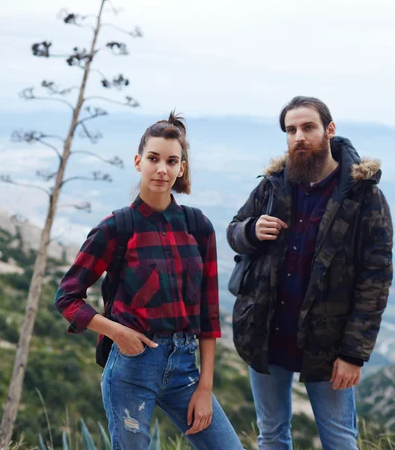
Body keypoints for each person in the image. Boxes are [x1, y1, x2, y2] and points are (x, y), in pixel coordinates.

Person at [55, 112, 243, 450]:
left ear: (181, 168)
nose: (162, 169)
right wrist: (116, 332)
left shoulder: (198, 226)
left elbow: (208, 314)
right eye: (154, 159)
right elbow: (67, 297)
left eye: (171, 161)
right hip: (131, 369)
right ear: (138, 162)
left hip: (186, 367)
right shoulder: (116, 227)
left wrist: (205, 387)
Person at [227, 96, 393, 450]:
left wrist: (353, 354)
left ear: (329, 130)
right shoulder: (273, 184)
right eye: (290, 130)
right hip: (267, 333)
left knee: (339, 439)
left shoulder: (365, 197)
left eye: (307, 127)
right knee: (271, 435)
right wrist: (251, 230)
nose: (298, 136)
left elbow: (375, 280)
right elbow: (235, 230)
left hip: (327, 345)